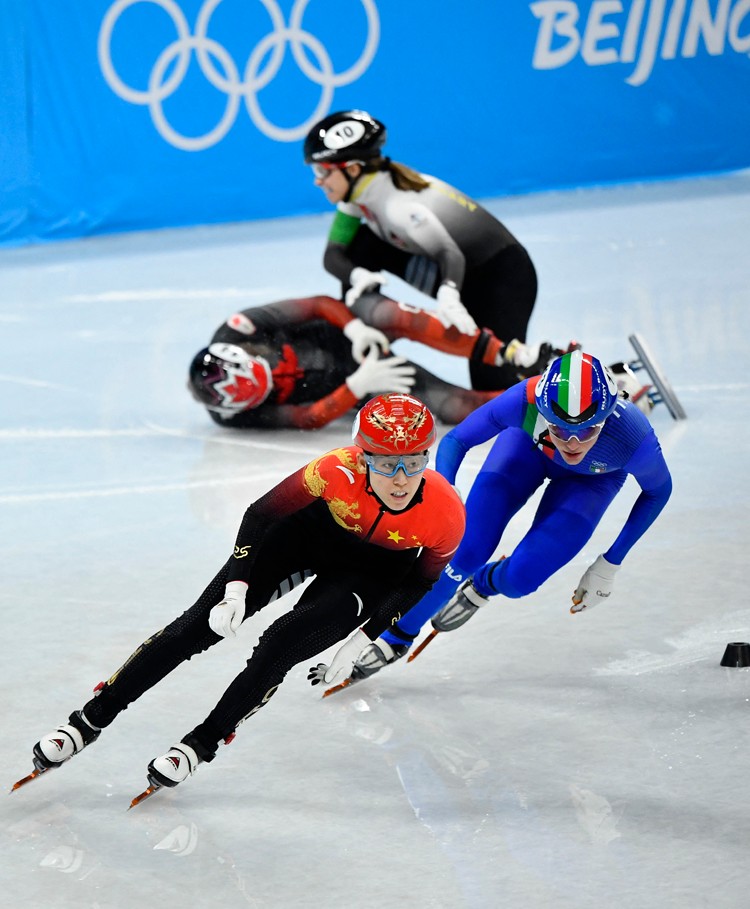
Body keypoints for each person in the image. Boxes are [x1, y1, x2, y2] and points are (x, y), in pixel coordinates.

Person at [21, 394, 465, 799]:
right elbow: (259, 515)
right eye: (386, 464)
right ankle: (89, 719)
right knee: (196, 626)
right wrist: (236, 590)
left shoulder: (446, 513)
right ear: (363, 457)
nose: (401, 479)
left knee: (279, 647)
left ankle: (201, 743)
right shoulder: (334, 469)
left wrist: (364, 638)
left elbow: (418, 582)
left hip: (370, 573)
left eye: (413, 462)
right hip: (306, 536)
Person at [334, 350, 673, 684]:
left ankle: (485, 583)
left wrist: (611, 563)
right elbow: (456, 440)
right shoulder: (524, 399)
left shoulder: (632, 436)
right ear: (543, 412)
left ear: (607, 417)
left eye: (586, 431)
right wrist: (446, 496)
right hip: (527, 451)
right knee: (465, 551)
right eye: (558, 428)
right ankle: (398, 635)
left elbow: (658, 491)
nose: (572, 443)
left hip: (591, 481)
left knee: (520, 580)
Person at [304, 109, 544, 391]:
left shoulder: (399, 207)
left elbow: (449, 252)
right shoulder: (360, 194)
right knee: (361, 245)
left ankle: (550, 372)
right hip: (467, 273)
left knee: (493, 385)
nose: (317, 181)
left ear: (353, 169)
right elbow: (333, 255)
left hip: (504, 276)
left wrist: (449, 295)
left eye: (323, 171)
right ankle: (363, 334)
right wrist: (358, 275)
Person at [187, 293, 544, 430]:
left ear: (247, 351)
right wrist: (357, 387)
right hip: (355, 381)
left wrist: (354, 328)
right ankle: (541, 394)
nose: (277, 374)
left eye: (265, 365)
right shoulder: (233, 416)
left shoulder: (238, 328)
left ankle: (511, 353)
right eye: (267, 389)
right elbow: (307, 418)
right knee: (455, 407)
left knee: (391, 315)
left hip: (350, 332)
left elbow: (318, 304)